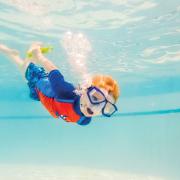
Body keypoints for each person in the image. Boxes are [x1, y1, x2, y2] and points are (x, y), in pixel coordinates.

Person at [0, 43, 120, 126]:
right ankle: (18, 53)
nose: (96, 108)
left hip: (42, 98)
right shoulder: (65, 91)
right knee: (23, 68)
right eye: (95, 97)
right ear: (85, 89)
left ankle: (16, 55)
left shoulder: (84, 120)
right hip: (39, 81)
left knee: (24, 70)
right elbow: (52, 69)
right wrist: (39, 56)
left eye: (106, 107)